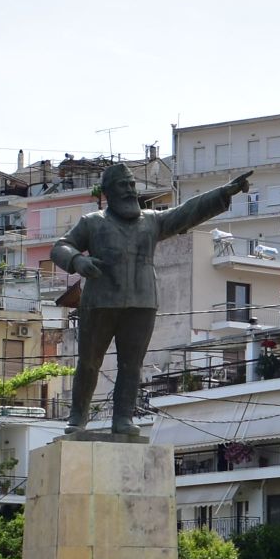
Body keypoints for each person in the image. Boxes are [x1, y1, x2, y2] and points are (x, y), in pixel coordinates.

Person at [52, 162, 250, 437]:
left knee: (131, 365)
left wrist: (223, 193)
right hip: (100, 302)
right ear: (108, 191)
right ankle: (78, 417)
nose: (130, 190)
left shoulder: (151, 220)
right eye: (123, 185)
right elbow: (60, 246)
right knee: (88, 363)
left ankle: (123, 418)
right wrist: (77, 261)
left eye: (132, 184)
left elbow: (186, 212)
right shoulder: (92, 222)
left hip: (142, 301)